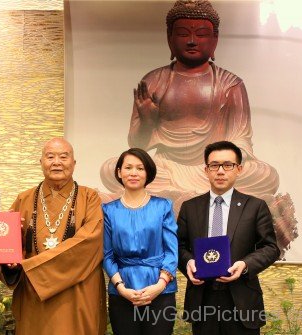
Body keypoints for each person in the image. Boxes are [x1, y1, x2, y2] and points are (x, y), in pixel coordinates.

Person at [99, 0, 285, 223]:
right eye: (183, 33)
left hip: (213, 170)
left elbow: (240, 139)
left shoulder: (230, 84)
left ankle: (179, 195)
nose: (191, 40)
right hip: (165, 167)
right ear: (169, 38)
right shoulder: (153, 81)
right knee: (111, 169)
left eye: (201, 34)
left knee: (266, 175)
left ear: (215, 39)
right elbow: (137, 147)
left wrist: (223, 166)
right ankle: (185, 195)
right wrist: (148, 122)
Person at [0, 138, 106, 335]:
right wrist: (9, 263)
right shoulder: (24, 198)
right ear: (41, 163)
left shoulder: (89, 198)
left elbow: (90, 242)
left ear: (73, 163)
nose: (57, 162)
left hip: (77, 292)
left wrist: (33, 266)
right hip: (33, 294)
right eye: (50, 156)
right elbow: (10, 243)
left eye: (63, 157)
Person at [177, 140, 280, 335]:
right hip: (202, 297)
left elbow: (270, 247)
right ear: (206, 170)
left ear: (239, 169)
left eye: (228, 165)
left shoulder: (255, 206)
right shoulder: (190, 207)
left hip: (242, 298)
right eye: (214, 165)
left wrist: (245, 265)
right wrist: (188, 261)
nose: (221, 171)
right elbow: (178, 245)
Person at [103, 148, 178, 334]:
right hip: (122, 291)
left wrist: (159, 286)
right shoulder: (108, 210)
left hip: (160, 291)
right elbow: (107, 254)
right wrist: (121, 288)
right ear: (119, 172)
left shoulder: (163, 206)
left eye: (140, 168)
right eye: (128, 167)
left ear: (148, 173)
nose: (134, 173)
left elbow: (171, 251)